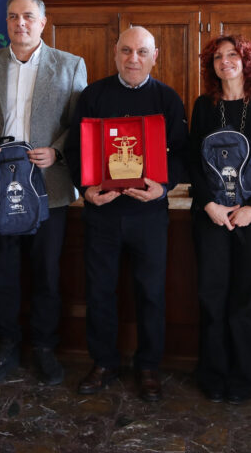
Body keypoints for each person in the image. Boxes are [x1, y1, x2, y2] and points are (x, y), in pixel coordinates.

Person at [0, 0, 86, 385]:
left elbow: (79, 125)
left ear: (42, 22)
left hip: (48, 186)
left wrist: (58, 151)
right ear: (6, 22)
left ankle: (45, 349)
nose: (21, 23)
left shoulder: (70, 65)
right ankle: (6, 347)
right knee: (3, 273)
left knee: (46, 273)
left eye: (29, 16)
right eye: (14, 16)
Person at [64, 26, 187, 402]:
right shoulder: (93, 95)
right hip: (103, 213)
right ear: (116, 53)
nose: (134, 58)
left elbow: (182, 153)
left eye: (142, 51)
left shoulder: (167, 98)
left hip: (148, 214)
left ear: (155, 56)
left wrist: (163, 187)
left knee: (151, 292)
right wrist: (86, 189)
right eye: (127, 51)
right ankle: (104, 362)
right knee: (100, 291)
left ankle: (148, 366)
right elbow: (74, 149)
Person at [187, 35, 251, 404]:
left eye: (232, 55)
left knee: (245, 299)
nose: (224, 61)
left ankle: (243, 378)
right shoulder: (203, 106)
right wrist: (209, 205)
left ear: (247, 62)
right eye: (217, 56)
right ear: (211, 65)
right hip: (211, 216)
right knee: (212, 296)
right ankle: (213, 375)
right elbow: (192, 162)